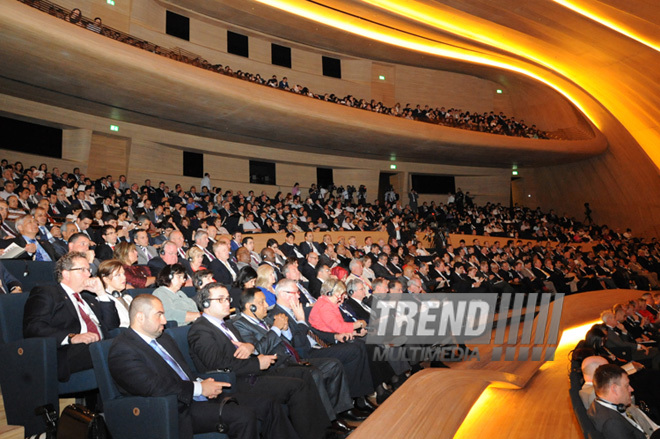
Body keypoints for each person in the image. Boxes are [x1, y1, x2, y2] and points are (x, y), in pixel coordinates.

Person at [109, 295, 280, 439]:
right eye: (159, 315)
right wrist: (198, 388)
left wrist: (203, 382)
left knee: (267, 404)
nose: (165, 320)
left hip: (195, 395)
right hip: (174, 408)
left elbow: (183, 372)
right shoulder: (123, 349)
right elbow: (152, 386)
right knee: (243, 416)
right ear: (140, 317)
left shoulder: (164, 339)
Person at [187, 283, 333, 439]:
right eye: (221, 299)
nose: (228, 302)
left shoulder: (227, 325)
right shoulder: (201, 330)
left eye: (228, 298)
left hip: (250, 371)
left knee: (304, 374)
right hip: (236, 380)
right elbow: (217, 365)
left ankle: (324, 431)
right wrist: (257, 363)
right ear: (206, 304)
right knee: (297, 386)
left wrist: (250, 347)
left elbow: (247, 349)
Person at [23, 251, 119, 380]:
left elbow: (112, 326)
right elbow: (33, 327)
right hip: (69, 352)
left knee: (131, 342)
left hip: (99, 347)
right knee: (121, 351)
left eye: (89, 269)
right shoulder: (47, 293)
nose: (89, 273)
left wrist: (101, 293)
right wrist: (71, 337)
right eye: (82, 270)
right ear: (66, 273)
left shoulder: (88, 298)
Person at [588, 364, 657, 438]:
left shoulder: (596, 405)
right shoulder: (612, 423)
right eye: (627, 386)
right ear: (614, 389)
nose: (631, 389)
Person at [97, 259, 133, 327]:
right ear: (106, 279)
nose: (124, 277)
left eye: (123, 274)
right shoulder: (102, 302)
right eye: (118, 275)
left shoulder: (128, 298)